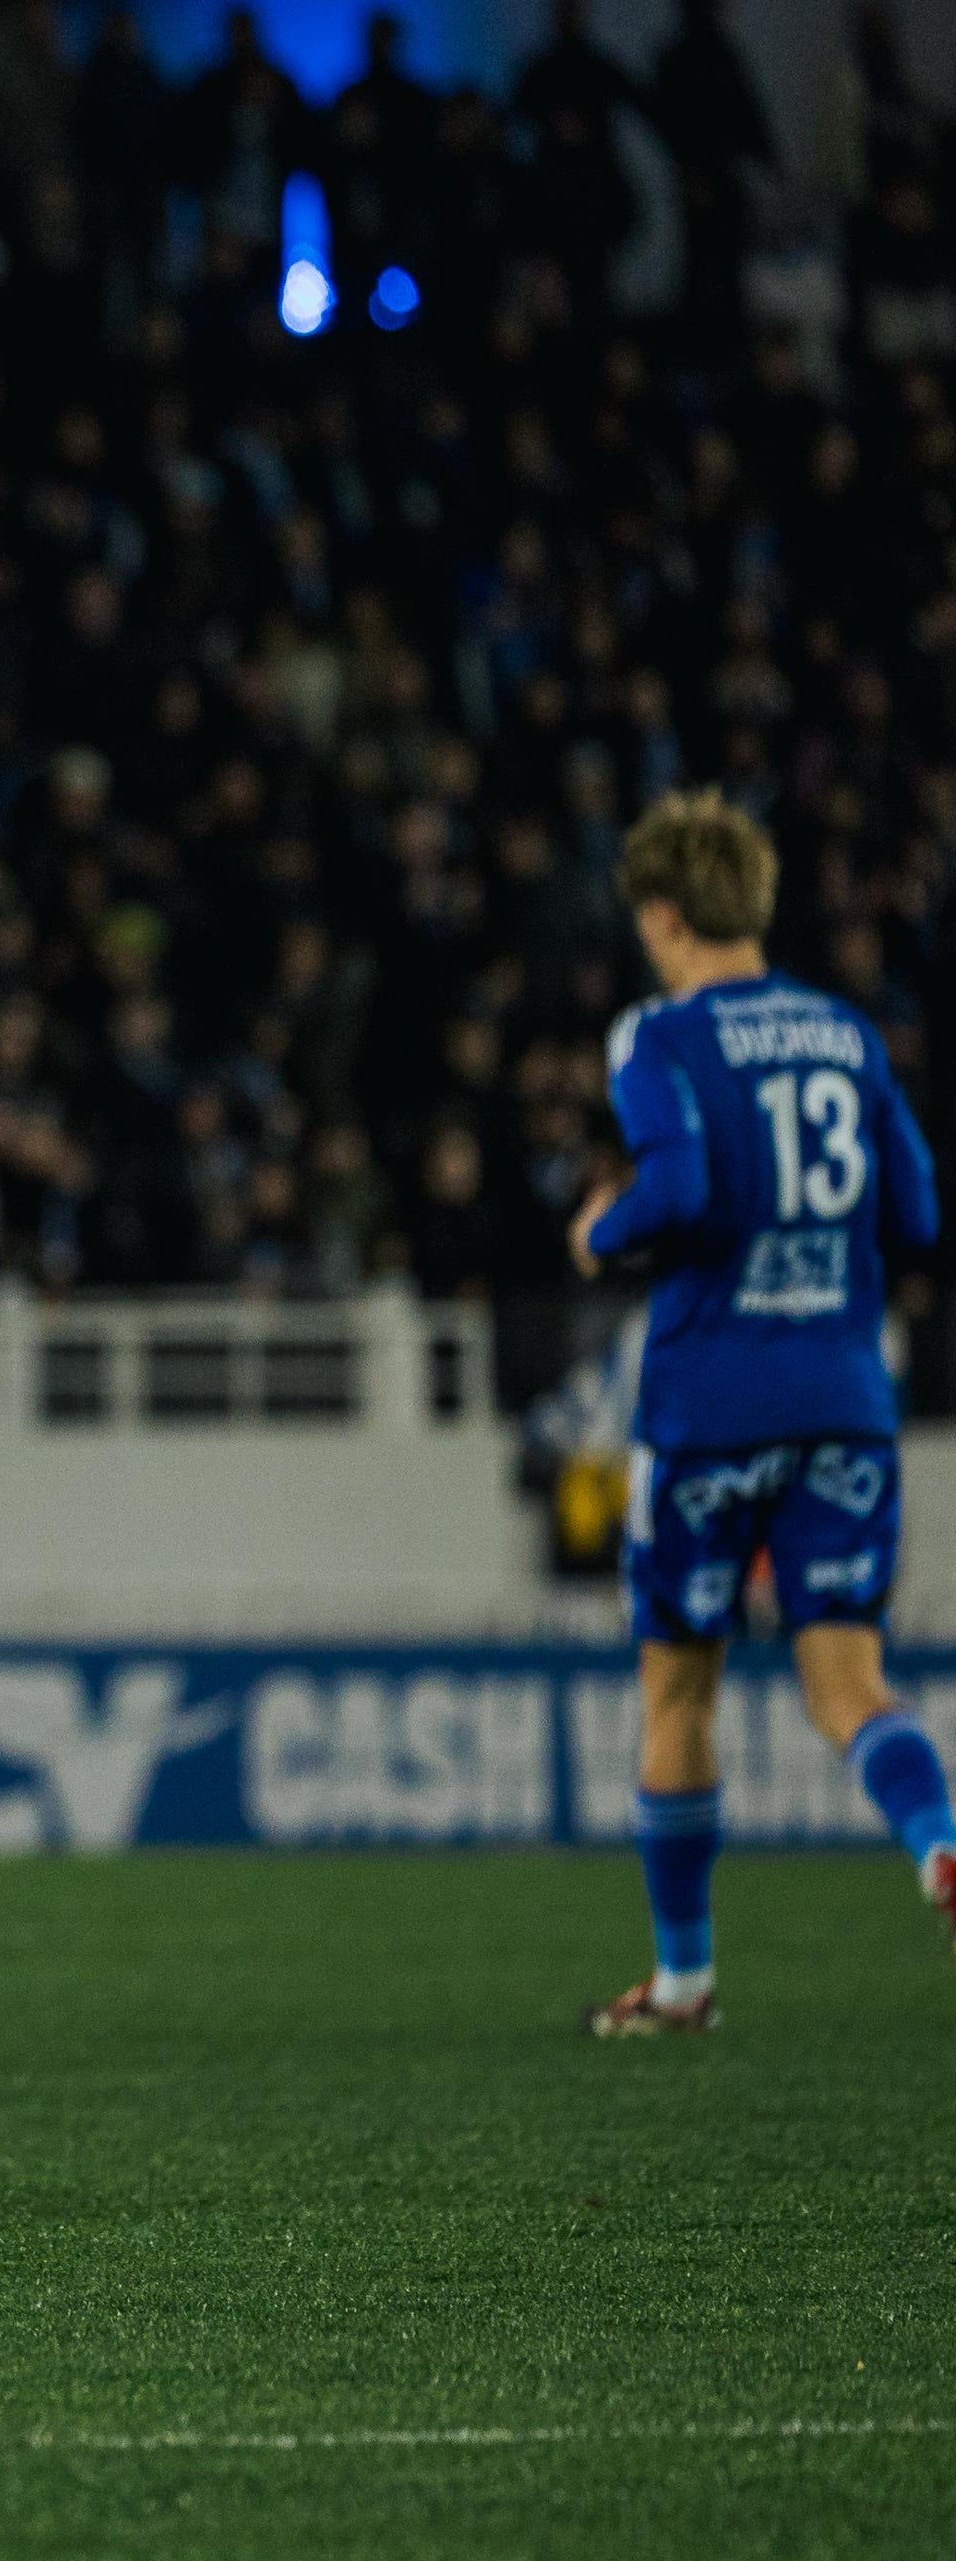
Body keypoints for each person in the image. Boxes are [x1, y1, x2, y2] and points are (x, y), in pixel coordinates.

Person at [567, 791, 955, 2037]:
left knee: (679, 1691)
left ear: (665, 916)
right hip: (844, 1397)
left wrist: (599, 1231)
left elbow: (673, 1188)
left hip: (709, 1405)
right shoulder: (846, 1034)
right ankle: (941, 1840)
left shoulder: (659, 1033)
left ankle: (684, 1982)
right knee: (848, 1685)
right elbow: (922, 1215)